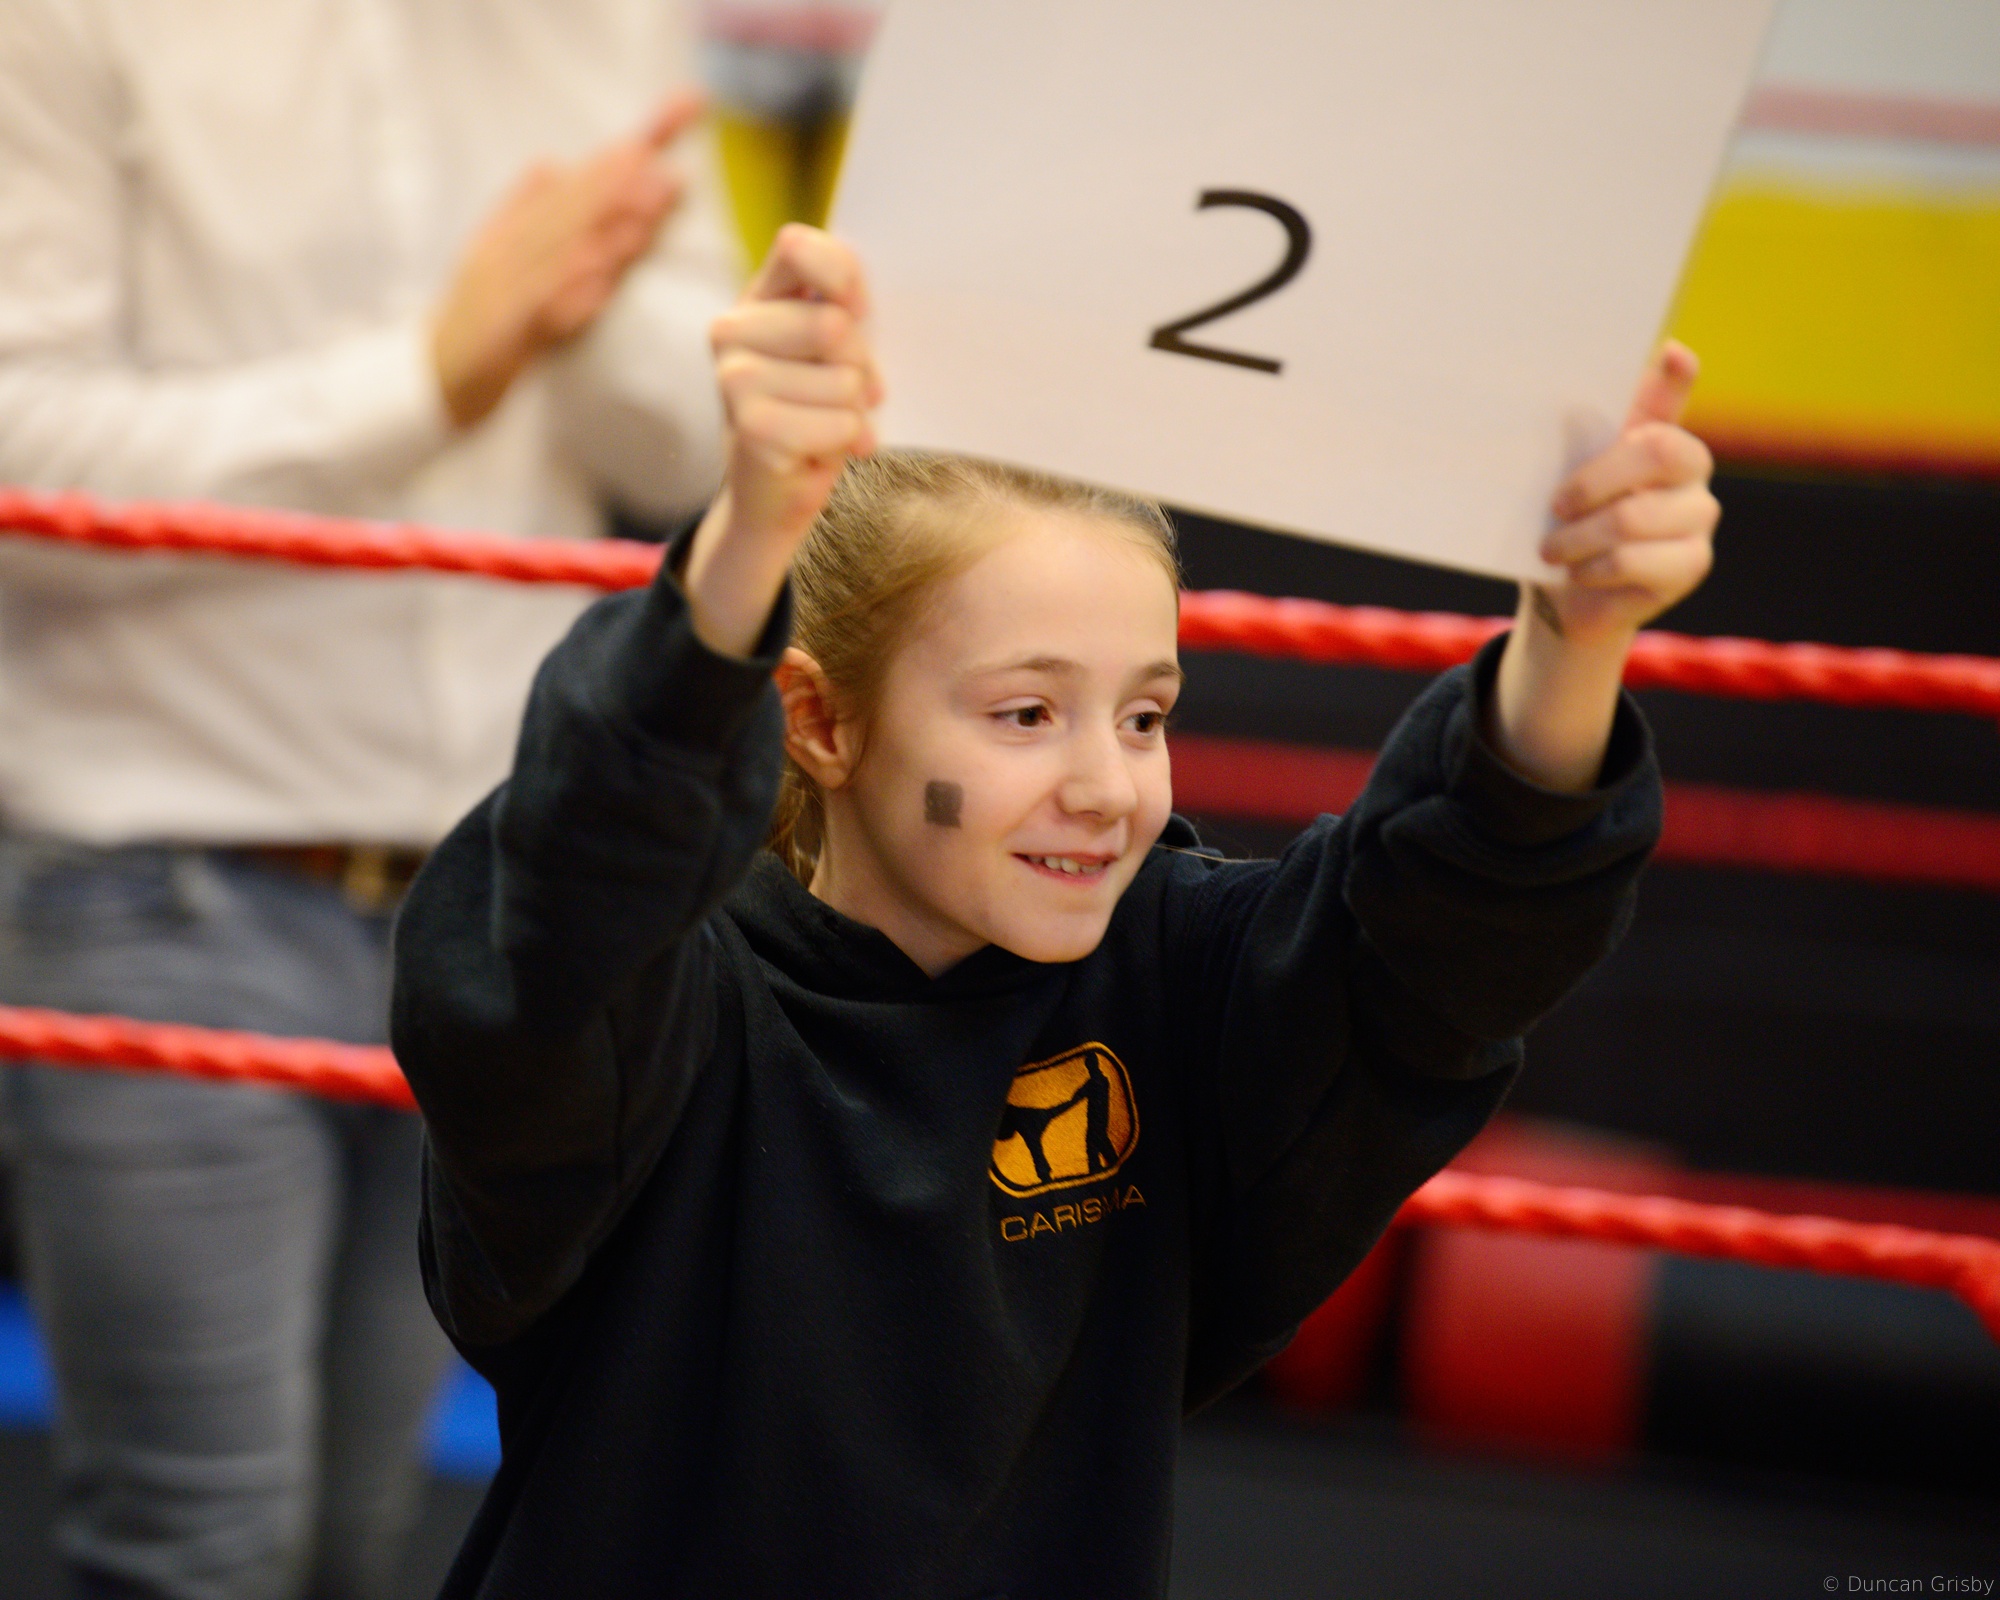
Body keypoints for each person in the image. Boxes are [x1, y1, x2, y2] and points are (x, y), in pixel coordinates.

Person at [390, 225, 1719, 1596]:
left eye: (1145, 716)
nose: (1106, 787)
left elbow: (1441, 943)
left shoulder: (1172, 976)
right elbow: (564, 910)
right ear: (820, 722)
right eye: (1026, 714)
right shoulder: (669, 1011)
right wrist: (746, 541)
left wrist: (1578, 635)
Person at [0, 2, 737, 1595]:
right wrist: (433, 368)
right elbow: (22, 467)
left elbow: (691, 444)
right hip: (161, 871)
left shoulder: (608, 19)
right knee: (196, 1545)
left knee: (360, 1541)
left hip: (493, 908)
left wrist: (590, 305)